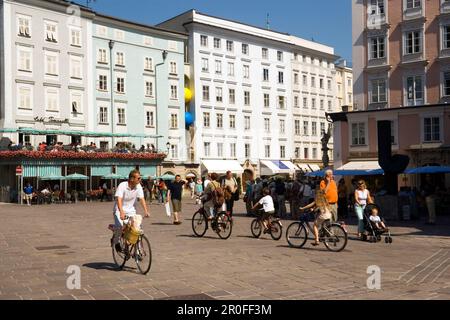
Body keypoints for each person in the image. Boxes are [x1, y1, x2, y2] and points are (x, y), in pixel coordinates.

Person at [112, 170, 150, 253]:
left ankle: (138, 251)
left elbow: (141, 199)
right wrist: (121, 212)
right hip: (119, 210)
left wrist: (146, 211)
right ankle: (116, 241)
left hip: (131, 211)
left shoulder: (138, 186)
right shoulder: (122, 185)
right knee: (120, 227)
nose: (140, 179)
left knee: (136, 230)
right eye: (138, 178)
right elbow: (119, 198)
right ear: (132, 179)